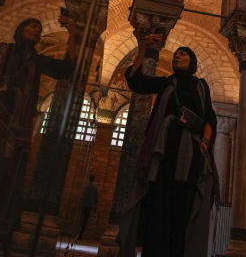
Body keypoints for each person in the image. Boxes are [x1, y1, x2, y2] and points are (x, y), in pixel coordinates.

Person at [0, 16, 76, 254]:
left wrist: (73, 34)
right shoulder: (3, 51)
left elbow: (65, 69)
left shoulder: (35, 60)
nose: (36, 30)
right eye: (31, 26)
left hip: (14, 122)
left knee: (5, 172)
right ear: (20, 29)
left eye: (39, 29)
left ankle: (0, 224)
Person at [118, 34, 218, 257]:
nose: (177, 56)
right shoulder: (166, 83)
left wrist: (204, 143)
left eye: (183, 54)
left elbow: (209, 117)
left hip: (191, 152)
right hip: (164, 150)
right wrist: (143, 47)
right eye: (175, 54)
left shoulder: (200, 86)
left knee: (183, 203)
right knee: (159, 202)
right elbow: (136, 81)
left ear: (192, 61)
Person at [76, 174, 99, 240]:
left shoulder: (86, 187)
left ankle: (79, 233)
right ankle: (81, 235)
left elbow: (84, 195)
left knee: (81, 219)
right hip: (90, 206)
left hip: (85, 205)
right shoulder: (95, 188)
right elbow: (96, 198)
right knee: (85, 221)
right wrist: (95, 207)